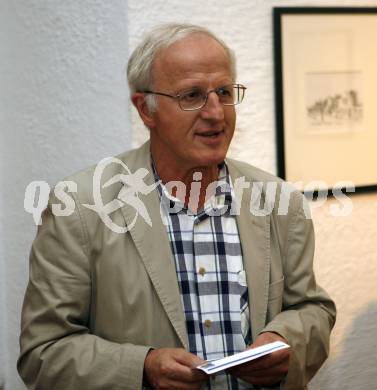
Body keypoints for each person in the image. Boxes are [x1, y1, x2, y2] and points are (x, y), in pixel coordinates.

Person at [18, 23, 336, 390]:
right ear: (145, 109)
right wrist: (142, 368)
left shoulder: (280, 201)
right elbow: (43, 353)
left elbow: (313, 310)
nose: (216, 113)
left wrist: (287, 341)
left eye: (224, 92)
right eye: (192, 96)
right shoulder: (78, 207)